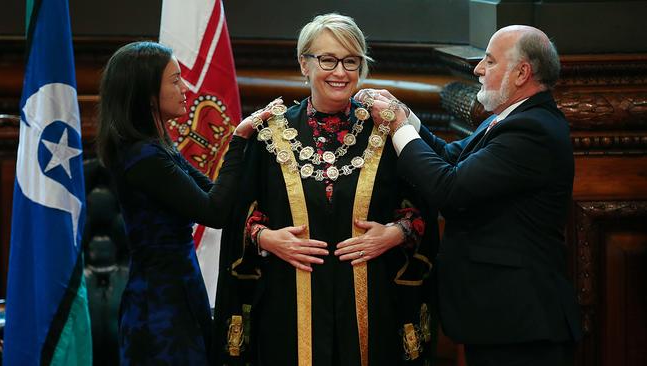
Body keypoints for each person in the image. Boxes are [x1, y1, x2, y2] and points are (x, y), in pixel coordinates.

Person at [213, 13, 439, 366]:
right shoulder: (269, 134)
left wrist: (396, 233)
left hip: (372, 302)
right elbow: (237, 212)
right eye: (328, 59)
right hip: (289, 301)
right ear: (304, 64)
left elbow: (425, 201)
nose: (341, 72)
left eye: (351, 61)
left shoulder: (386, 130)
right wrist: (265, 237)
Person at [357, 25, 583, 366]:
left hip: (523, 324)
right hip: (500, 319)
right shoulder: (508, 118)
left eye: (489, 61)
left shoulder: (532, 129)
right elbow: (450, 157)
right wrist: (405, 116)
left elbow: (449, 189)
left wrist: (399, 127)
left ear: (522, 73)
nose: (478, 69)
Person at [96, 41, 272, 365]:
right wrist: (238, 139)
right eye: (175, 80)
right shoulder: (143, 157)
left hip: (180, 290)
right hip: (159, 308)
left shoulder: (158, 146)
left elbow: (214, 192)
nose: (185, 88)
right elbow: (214, 212)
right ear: (148, 92)